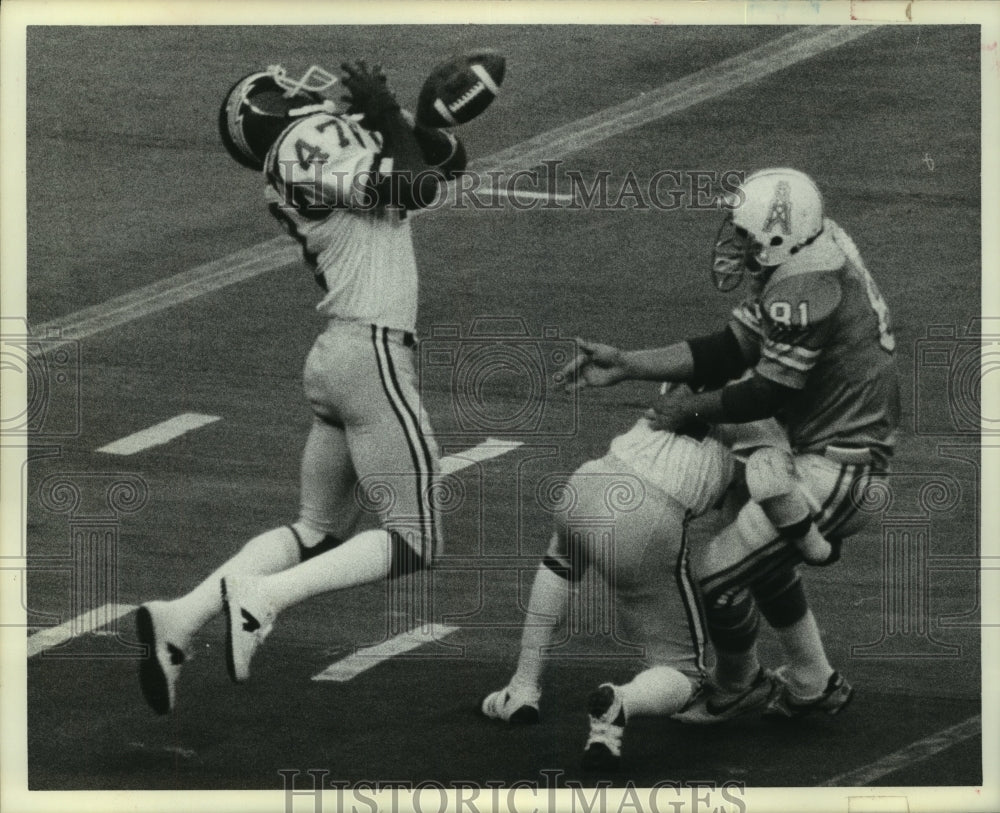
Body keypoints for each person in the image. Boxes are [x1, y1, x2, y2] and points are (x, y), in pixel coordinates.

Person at [136, 61, 467, 714]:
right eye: (283, 87)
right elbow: (418, 186)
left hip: (338, 355)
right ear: (270, 110)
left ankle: (180, 617)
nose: (300, 87)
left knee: (316, 528)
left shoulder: (299, 153)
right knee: (415, 539)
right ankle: (265, 598)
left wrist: (403, 116)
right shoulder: (306, 140)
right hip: (372, 349)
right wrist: (382, 108)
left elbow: (445, 160)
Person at [561, 168, 900, 736]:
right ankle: (813, 682)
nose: (735, 242)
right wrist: (629, 363)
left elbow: (768, 389)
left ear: (776, 235)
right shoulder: (809, 254)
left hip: (842, 466)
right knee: (760, 560)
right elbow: (728, 350)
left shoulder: (804, 289)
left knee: (718, 574)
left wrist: (688, 410)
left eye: (744, 232)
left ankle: (736, 687)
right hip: (825, 451)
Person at [481, 399, 790, 771]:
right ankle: (621, 702)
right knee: (685, 677)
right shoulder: (766, 416)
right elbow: (737, 522)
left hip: (591, 479)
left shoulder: (699, 368)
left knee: (561, 560)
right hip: (646, 514)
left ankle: (522, 688)